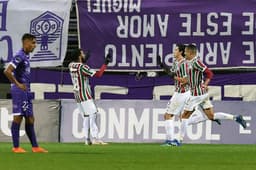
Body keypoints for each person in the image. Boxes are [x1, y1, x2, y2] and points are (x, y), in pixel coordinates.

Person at [179, 44, 247, 143]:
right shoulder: (189, 63)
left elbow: (209, 73)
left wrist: (205, 84)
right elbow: (192, 78)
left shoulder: (196, 62)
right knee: (211, 116)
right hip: (201, 94)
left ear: (190, 52)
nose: (184, 53)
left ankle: (179, 140)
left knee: (184, 117)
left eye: (185, 51)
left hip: (197, 95)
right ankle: (236, 117)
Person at [4, 33, 48, 153]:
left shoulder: (26, 56)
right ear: (26, 43)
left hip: (26, 91)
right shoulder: (19, 56)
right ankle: (16, 147)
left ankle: (35, 147)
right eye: (33, 43)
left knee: (30, 118)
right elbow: (7, 71)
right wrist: (18, 84)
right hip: (19, 91)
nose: (35, 45)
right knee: (18, 117)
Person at [66, 48, 111, 145]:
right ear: (79, 56)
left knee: (86, 116)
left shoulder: (70, 65)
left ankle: (87, 139)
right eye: (82, 53)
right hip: (85, 95)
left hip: (77, 95)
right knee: (93, 114)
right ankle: (95, 138)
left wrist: (84, 59)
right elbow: (98, 75)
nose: (84, 54)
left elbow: (79, 66)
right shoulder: (83, 67)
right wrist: (105, 64)